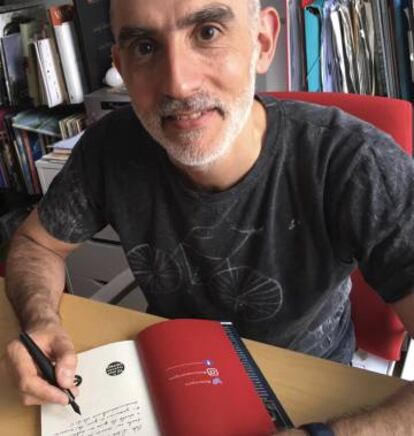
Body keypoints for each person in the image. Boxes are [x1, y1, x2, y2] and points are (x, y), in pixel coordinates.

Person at [4, 0, 414, 433]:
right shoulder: (109, 149)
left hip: (310, 384)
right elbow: (36, 243)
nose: (178, 84)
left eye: (208, 33)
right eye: (145, 46)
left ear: (262, 42)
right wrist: (41, 318)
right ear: (121, 67)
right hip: (172, 372)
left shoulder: (355, 162)